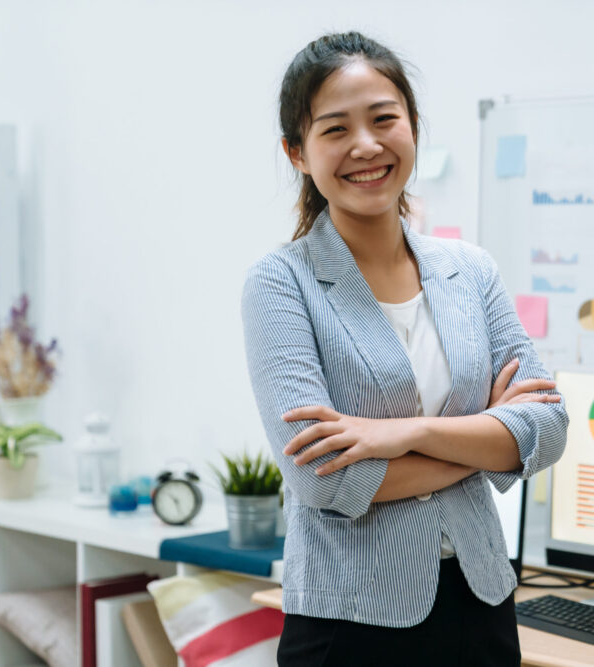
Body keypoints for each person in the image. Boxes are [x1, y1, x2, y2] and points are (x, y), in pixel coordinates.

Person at [241, 31, 569, 667]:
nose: (366, 145)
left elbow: (548, 427)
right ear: (298, 152)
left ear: (413, 127)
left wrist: (400, 433)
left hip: (481, 605)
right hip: (351, 622)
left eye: (384, 119)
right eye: (335, 129)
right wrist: (487, 442)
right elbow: (320, 479)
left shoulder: (470, 271)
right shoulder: (281, 283)